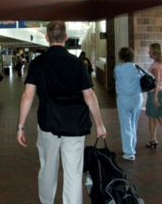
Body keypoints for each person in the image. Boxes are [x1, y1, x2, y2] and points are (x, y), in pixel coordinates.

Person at [16, 21, 107, 204]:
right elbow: (89, 96)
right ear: (66, 38)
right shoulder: (78, 64)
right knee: (73, 173)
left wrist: (20, 127)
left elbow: (28, 96)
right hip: (75, 126)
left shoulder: (37, 64)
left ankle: (47, 201)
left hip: (48, 124)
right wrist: (99, 124)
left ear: (47, 38)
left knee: (48, 169)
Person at [114, 47, 143, 161]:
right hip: (137, 98)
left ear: (121, 57)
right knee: (133, 124)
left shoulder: (118, 68)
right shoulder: (137, 68)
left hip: (123, 99)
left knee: (126, 126)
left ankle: (129, 151)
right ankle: (132, 146)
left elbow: (116, 77)